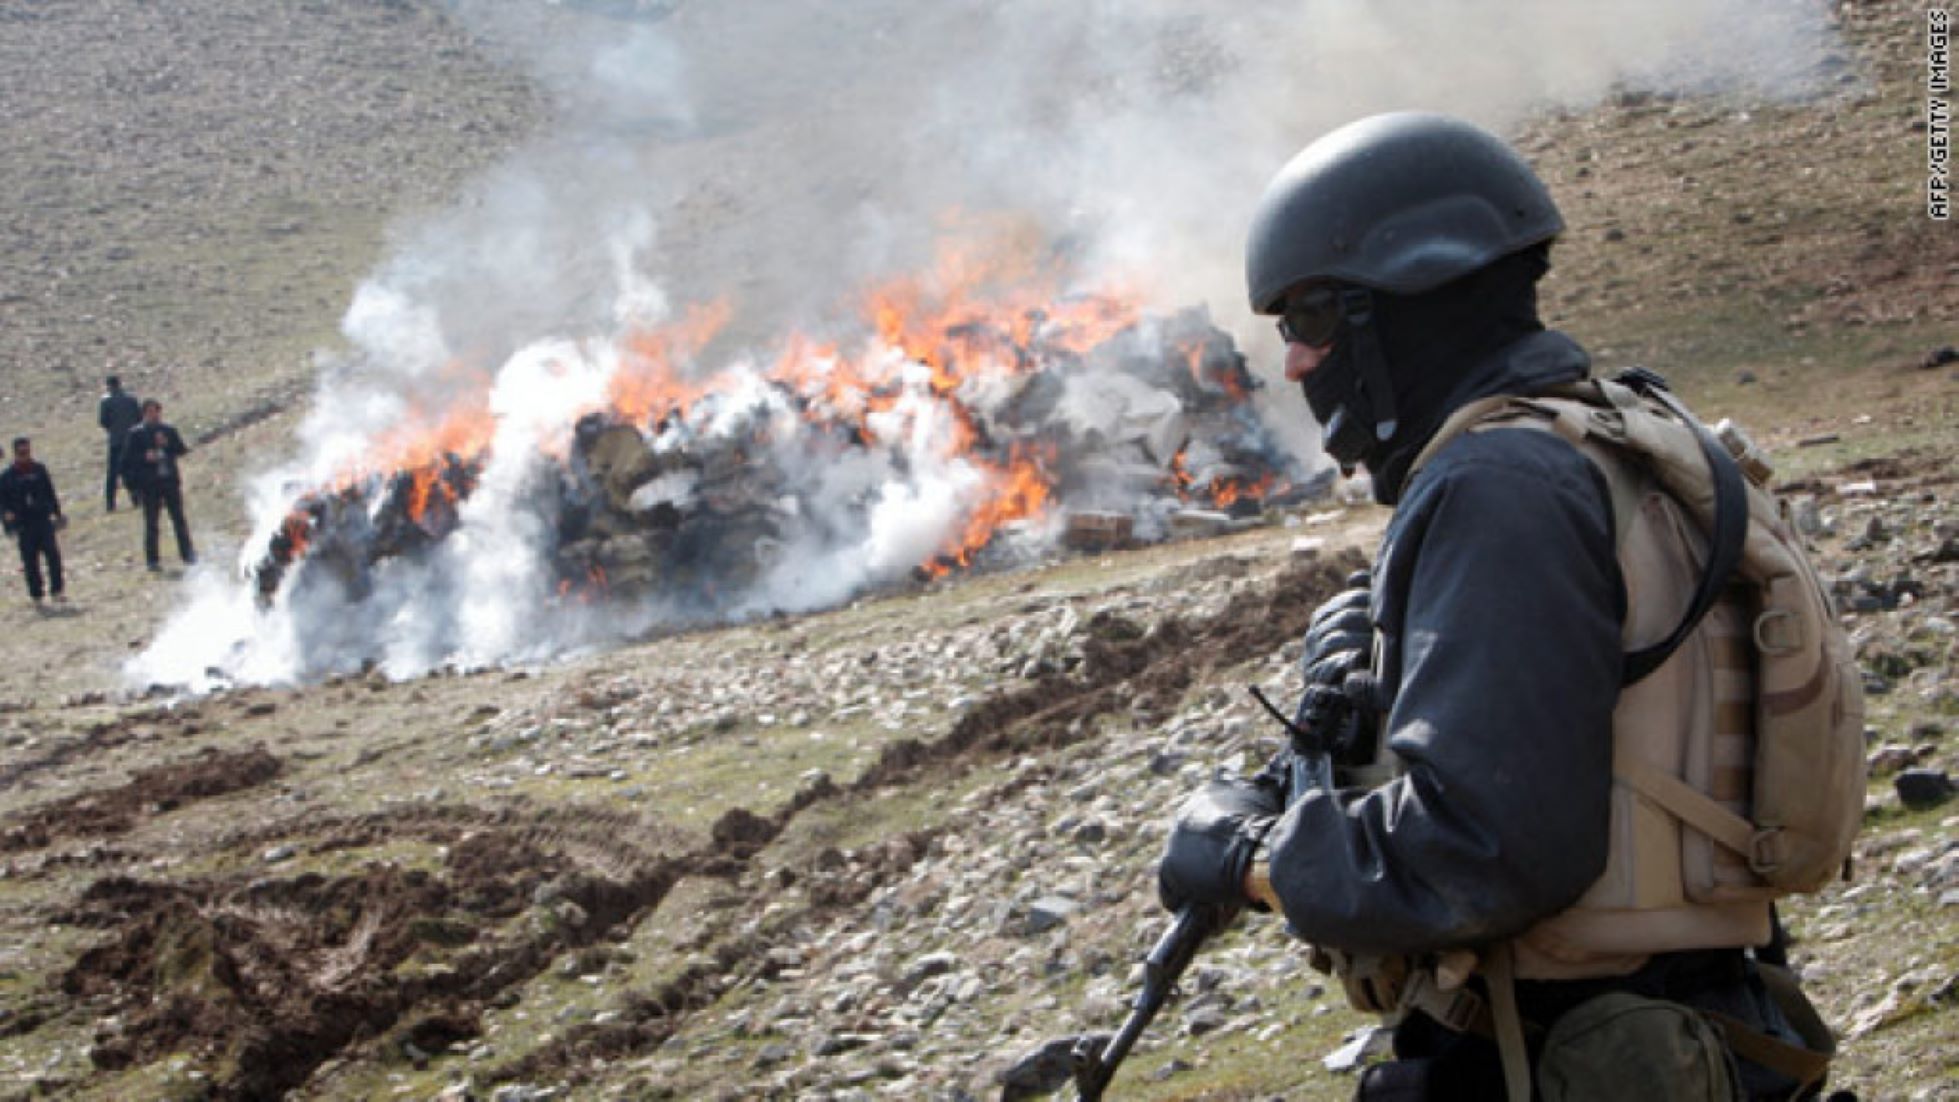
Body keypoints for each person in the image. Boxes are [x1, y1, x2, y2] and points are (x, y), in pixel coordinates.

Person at [1155, 113, 1841, 1101]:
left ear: (1402, 303)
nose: (1297, 364)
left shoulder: (1502, 481)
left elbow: (1485, 846)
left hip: (1568, 1059)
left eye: (1309, 320)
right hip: (1684, 1034)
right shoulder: (1615, 435)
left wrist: (1253, 857)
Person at [121, 399, 196, 571]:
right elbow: (127, 460)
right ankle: (152, 560)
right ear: (144, 414)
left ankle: (187, 553)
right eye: (150, 412)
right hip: (150, 484)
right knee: (152, 523)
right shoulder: (136, 434)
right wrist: (144, 458)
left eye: (156, 412)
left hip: (169, 481)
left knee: (178, 519)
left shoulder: (168, 430)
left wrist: (167, 445)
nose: (153, 415)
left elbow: (181, 450)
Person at [0, 437, 66, 605]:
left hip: (42, 520)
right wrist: (8, 522)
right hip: (24, 524)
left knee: (53, 556)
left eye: (28, 452)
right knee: (30, 562)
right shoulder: (7, 477)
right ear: (15, 454)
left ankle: (57, 590)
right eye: (22, 453)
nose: (26, 456)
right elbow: (3, 502)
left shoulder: (39, 469)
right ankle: (36, 595)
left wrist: (57, 514)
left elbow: (50, 491)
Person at [98, 374, 142, 511]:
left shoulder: (106, 401)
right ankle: (137, 499)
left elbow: (103, 421)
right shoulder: (131, 399)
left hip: (116, 441)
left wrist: (113, 429)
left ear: (109, 385)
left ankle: (110, 504)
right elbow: (139, 418)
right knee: (133, 470)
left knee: (113, 474)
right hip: (131, 441)